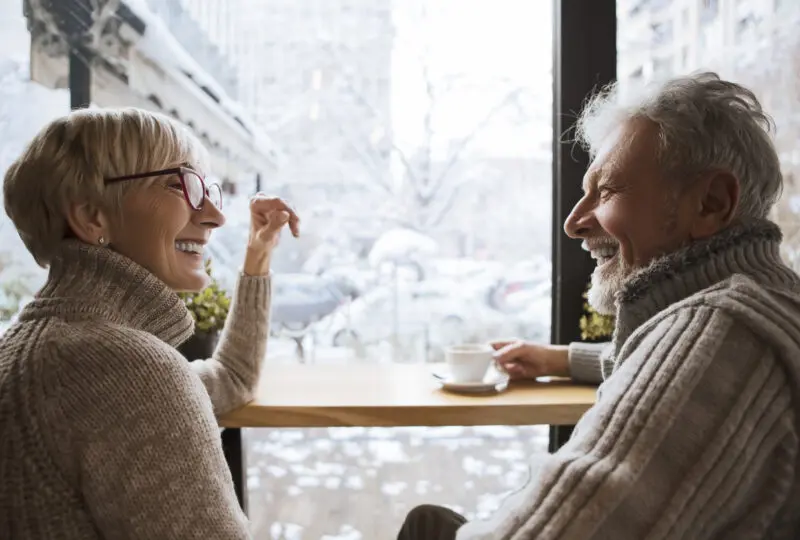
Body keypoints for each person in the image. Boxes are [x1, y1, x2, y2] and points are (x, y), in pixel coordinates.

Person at [398, 71, 800, 539]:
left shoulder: (719, 330)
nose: (573, 223)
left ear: (710, 203)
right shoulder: (765, 300)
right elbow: (675, 363)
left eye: (607, 191)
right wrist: (564, 359)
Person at [0, 107, 299, 538]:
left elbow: (229, 379)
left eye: (208, 189)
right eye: (183, 185)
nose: (216, 216)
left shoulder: (45, 348)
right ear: (92, 217)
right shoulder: (126, 369)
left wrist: (258, 257)